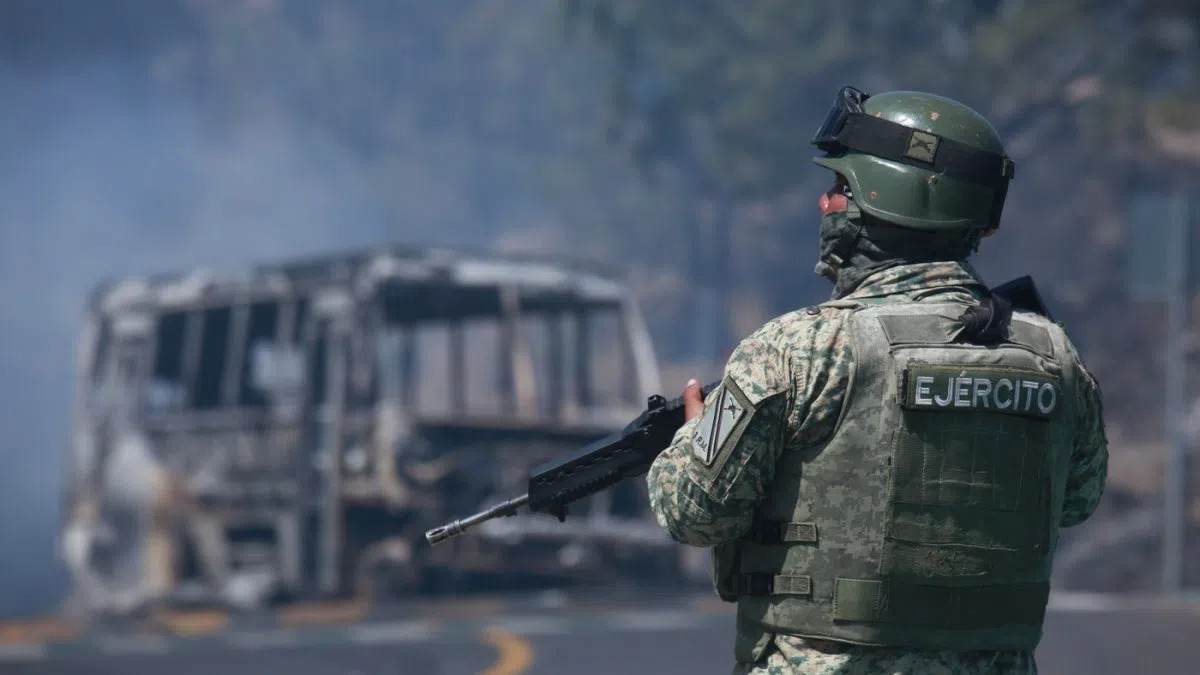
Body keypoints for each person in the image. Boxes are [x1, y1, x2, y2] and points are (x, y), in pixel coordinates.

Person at [646, 86, 1108, 674]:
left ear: (885, 199)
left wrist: (693, 438)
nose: (824, 204)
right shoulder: (1054, 356)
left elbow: (692, 512)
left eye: (841, 188)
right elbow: (1077, 500)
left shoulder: (801, 348)